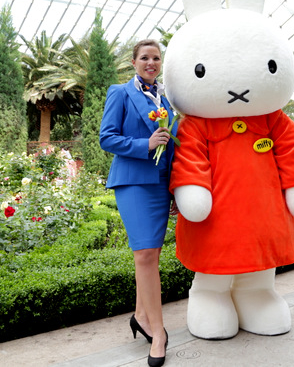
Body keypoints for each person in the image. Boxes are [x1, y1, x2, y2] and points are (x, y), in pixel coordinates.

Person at [99, 39, 177, 367]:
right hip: (132, 181)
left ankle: (141, 316)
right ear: (133, 62)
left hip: (160, 183)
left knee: (152, 254)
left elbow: (173, 145)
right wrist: (144, 143)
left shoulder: (167, 99)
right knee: (144, 253)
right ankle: (157, 332)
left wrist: (175, 189)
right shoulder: (120, 92)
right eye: (144, 57)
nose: (151, 62)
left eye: (156, 58)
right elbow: (107, 137)